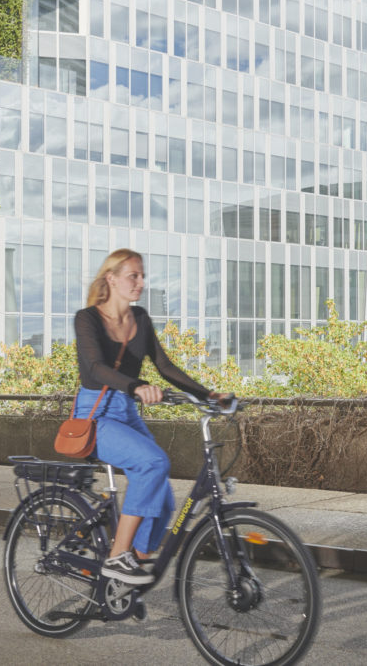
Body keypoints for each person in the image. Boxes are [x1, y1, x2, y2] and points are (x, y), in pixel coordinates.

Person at [74, 249, 228, 586]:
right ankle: (117, 556)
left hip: (127, 411)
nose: (141, 283)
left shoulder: (140, 318)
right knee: (153, 464)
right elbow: (96, 367)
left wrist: (209, 395)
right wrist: (136, 386)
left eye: (142, 276)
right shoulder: (87, 318)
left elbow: (165, 366)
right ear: (111, 279)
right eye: (134, 276)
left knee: (164, 503)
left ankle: (128, 579)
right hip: (97, 414)